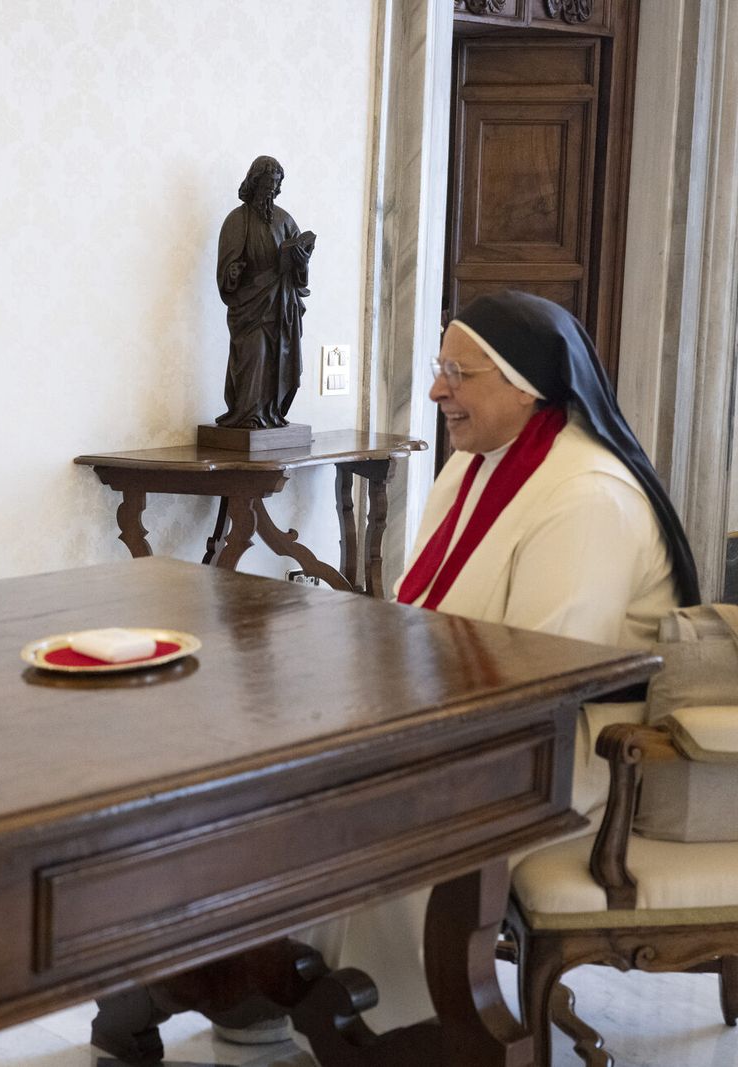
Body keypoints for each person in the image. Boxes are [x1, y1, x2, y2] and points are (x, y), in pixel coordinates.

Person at [331, 288, 700, 1030]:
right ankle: (304, 999)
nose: (437, 390)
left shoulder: (586, 494)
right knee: (295, 791)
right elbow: (417, 614)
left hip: (571, 753)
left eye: (458, 373)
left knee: (392, 813)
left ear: (524, 386)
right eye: (441, 368)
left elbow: (542, 678)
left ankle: (411, 1032)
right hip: (479, 722)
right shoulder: (477, 464)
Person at [214, 155, 317, 430]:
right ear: (255, 181)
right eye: (267, 183)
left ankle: (271, 414)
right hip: (251, 305)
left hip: (281, 306)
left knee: (278, 362)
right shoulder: (238, 220)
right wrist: (232, 274)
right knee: (255, 356)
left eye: (276, 184)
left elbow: (300, 277)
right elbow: (226, 269)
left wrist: (300, 260)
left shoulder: (285, 220)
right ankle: (248, 414)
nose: (271, 189)